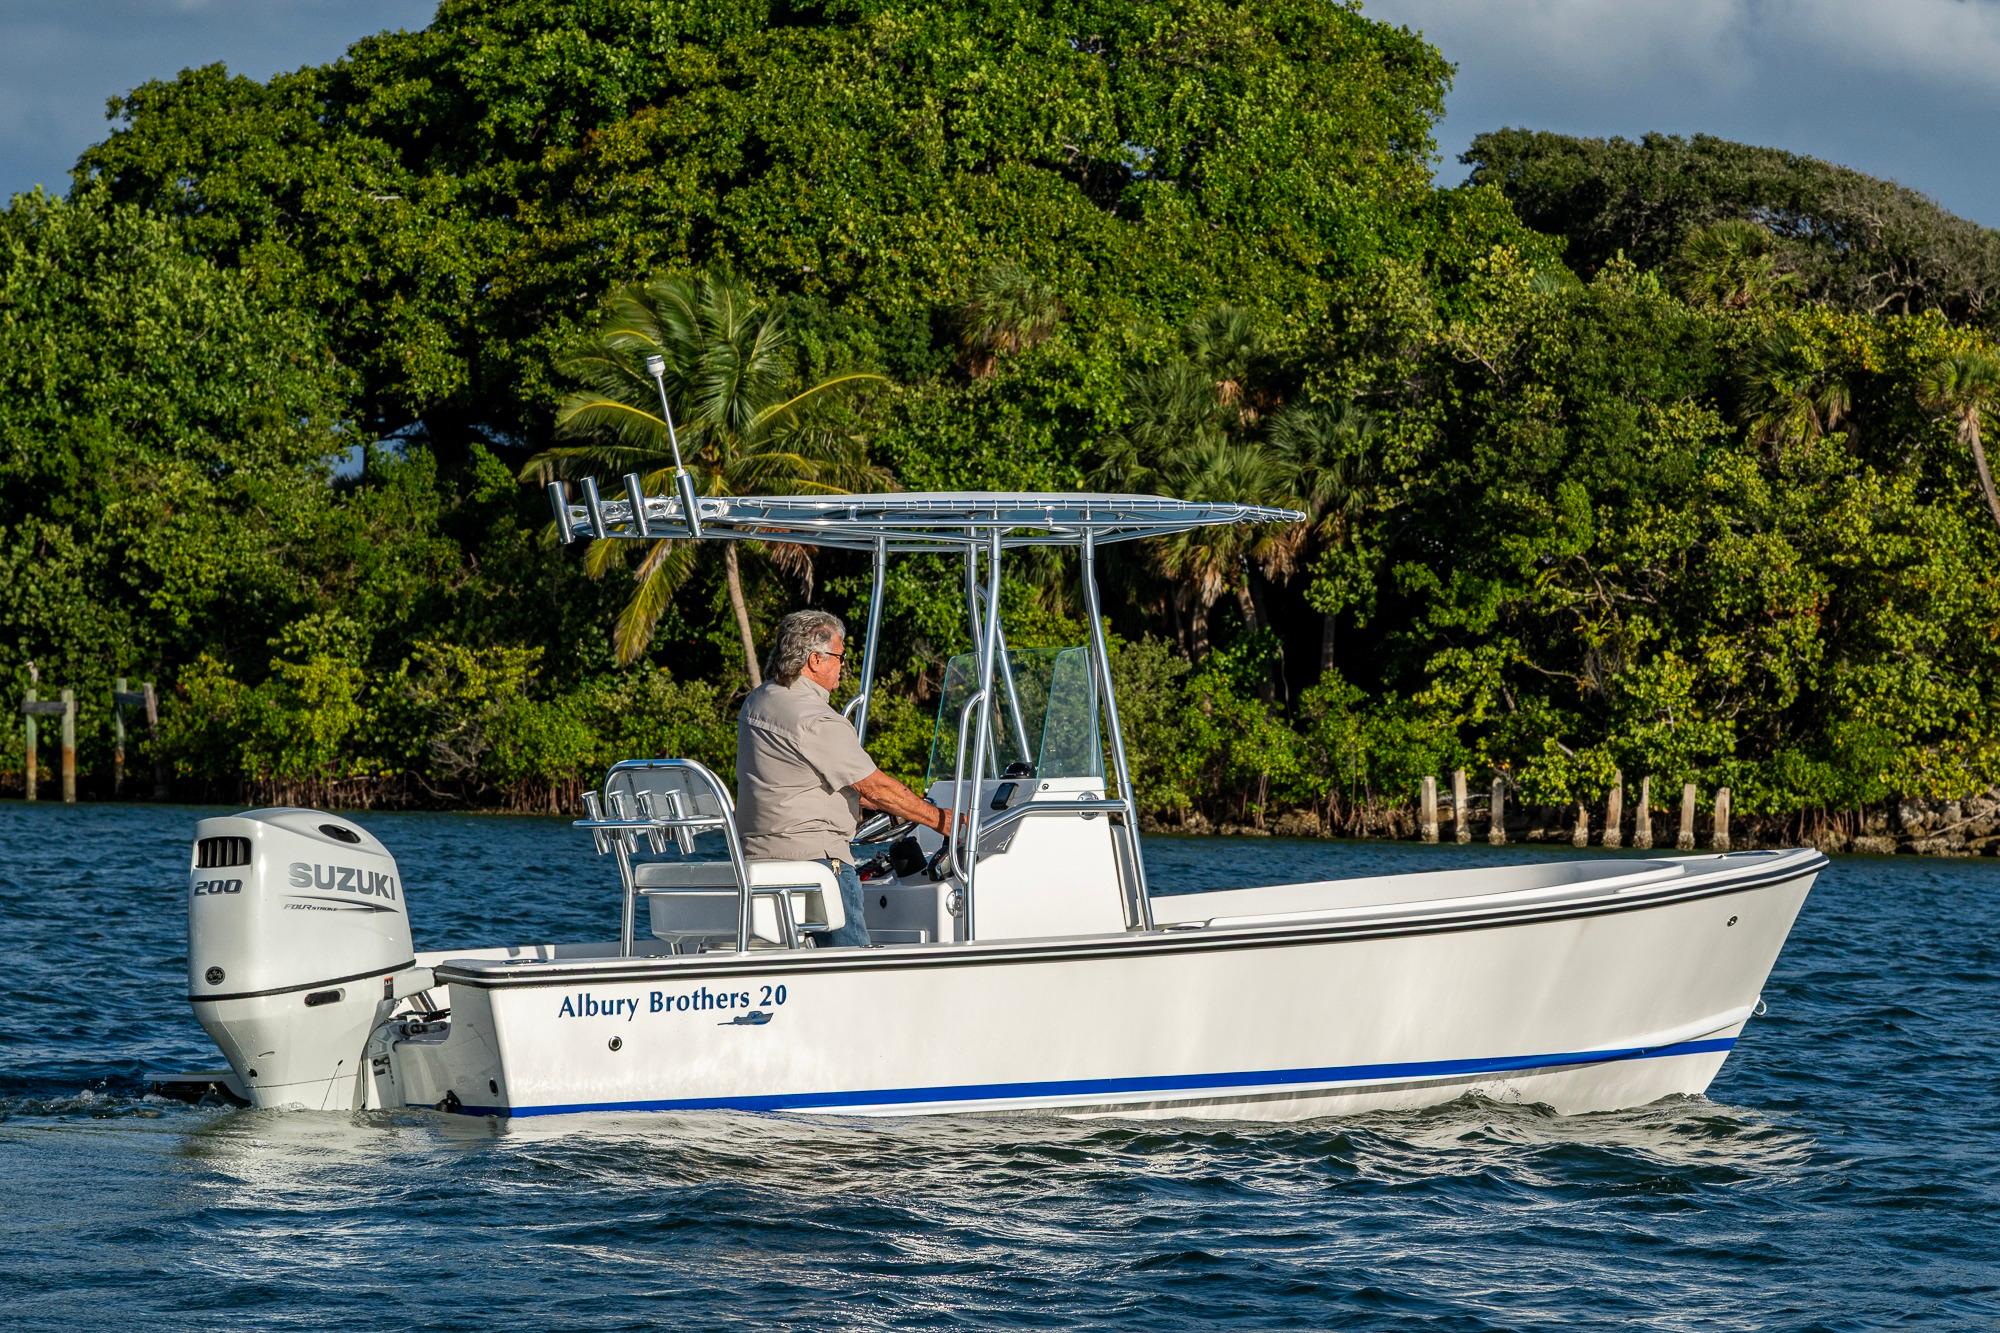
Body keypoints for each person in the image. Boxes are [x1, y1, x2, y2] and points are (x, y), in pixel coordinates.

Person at [735, 610, 953, 947]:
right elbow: (875, 787)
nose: (843, 666)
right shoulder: (815, 718)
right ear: (815, 660)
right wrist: (943, 820)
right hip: (818, 860)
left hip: (758, 856)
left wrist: (887, 803)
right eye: (840, 656)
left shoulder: (758, 702)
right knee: (851, 961)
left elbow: (801, 778)